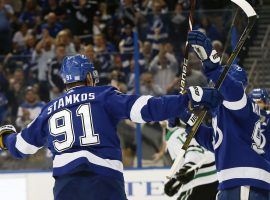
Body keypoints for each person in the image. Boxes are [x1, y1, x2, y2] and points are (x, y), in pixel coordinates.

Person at [0, 54, 222, 200]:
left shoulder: (49, 110)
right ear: (89, 76)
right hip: (103, 182)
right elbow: (145, 108)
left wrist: (5, 137)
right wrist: (188, 99)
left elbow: (21, 147)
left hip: (66, 188)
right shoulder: (103, 95)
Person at [187, 30, 270, 199]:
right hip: (235, 182)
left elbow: (233, 92)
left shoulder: (240, 103)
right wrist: (187, 118)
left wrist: (213, 68)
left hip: (245, 180)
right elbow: (216, 141)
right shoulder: (225, 111)